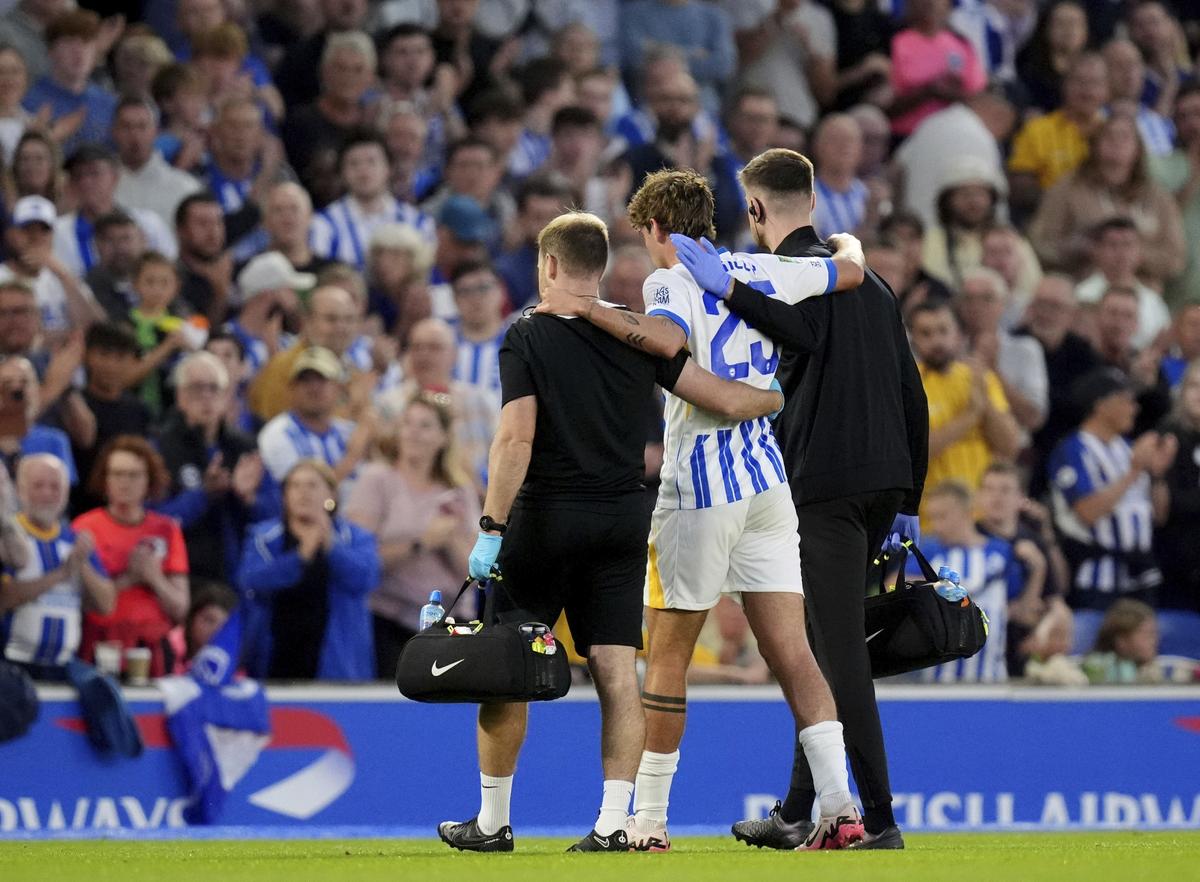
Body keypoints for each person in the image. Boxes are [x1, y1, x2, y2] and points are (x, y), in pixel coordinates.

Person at [538, 168, 869, 851]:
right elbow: (851, 273)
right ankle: (840, 808)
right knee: (794, 654)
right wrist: (846, 238)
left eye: (646, 234)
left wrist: (591, 309)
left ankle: (648, 822)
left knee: (665, 657)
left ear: (657, 228)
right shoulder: (768, 267)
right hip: (767, 482)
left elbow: (662, 343)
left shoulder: (668, 281)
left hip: (700, 488)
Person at [437, 211, 785, 853]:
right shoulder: (637, 337)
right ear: (598, 268)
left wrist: (490, 527)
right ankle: (613, 823)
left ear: (547, 265)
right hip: (625, 519)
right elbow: (720, 397)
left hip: (545, 519)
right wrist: (773, 399)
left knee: (508, 667)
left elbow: (516, 436)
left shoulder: (526, 337)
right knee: (618, 672)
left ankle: (491, 823)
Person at [673, 148, 928, 850]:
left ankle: (877, 819)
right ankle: (795, 811)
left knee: (838, 655)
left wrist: (726, 288)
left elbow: (801, 330)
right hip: (878, 487)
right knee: (815, 650)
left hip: (823, 489)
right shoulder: (869, 281)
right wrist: (911, 493)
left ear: (755, 210)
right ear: (813, 202)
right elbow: (913, 391)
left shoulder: (796, 282)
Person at [345, 391, 479, 678]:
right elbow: (357, 561)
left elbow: (476, 574)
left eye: (425, 425)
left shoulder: (459, 490)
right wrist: (421, 542)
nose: (413, 433)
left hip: (451, 621)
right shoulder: (377, 479)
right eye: (408, 423)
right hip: (389, 618)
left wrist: (451, 539)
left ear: (444, 437)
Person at [235, 459, 378, 681]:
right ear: (285, 496)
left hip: (336, 664)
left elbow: (365, 579)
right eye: (295, 485)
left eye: (312, 485)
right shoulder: (263, 537)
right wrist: (300, 557)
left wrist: (331, 548)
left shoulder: (355, 538)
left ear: (332, 495)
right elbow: (250, 580)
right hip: (274, 659)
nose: (303, 493)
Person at [1047, 367, 1176, 611]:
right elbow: (1087, 512)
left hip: (1139, 577)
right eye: (1126, 401)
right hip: (1097, 579)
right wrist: (1134, 472)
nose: (1134, 409)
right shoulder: (1073, 450)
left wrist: (1157, 476)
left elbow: (1159, 516)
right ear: (1101, 405)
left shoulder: (1127, 448)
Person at [74, 435, 190, 678]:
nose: (124, 483)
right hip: (101, 641)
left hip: (153, 644)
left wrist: (154, 578)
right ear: (104, 480)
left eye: (134, 475)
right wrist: (130, 578)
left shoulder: (166, 530)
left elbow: (180, 607)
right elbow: (82, 602)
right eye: (117, 474)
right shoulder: (85, 528)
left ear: (149, 481)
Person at [157, 352, 268, 584]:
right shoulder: (160, 446)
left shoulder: (246, 447)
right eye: (196, 388)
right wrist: (203, 495)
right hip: (180, 575)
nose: (206, 396)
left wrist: (247, 498)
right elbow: (154, 521)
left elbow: (272, 516)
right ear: (180, 396)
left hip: (235, 574)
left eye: (214, 388)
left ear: (227, 396)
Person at [0, 454, 112, 679]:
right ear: (19, 490)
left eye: (55, 487)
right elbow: (5, 597)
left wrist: (81, 565)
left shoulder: (76, 539)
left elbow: (106, 604)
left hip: (64, 666)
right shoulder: (10, 537)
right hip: (13, 663)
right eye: (38, 486)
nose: (47, 494)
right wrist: (60, 574)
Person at [909, 299, 1020, 519]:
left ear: (958, 335)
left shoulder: (980, 378)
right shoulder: (908, 384)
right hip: (932, 520)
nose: (937, 341)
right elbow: (915, 453)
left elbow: (1009, 447)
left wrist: (985, 404)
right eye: (926, 333)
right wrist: (970, 416)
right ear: (913, 340)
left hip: (983, 518)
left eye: (943, 331)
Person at [912, 479, 1026, 683]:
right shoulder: (929, 552)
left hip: (992, 677)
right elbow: (897, 584)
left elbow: (1017, 604)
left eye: (942, 517)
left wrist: (1039, 570)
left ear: (966, 512)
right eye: (932, 518)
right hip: (937, 679)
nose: (936, 526)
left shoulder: (1000, 552)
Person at [256, 346, 371, 499]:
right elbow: (302, 499)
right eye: (305, 380)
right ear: (292, 389)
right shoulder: (278, 435)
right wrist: (352, 457)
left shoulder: (348, 432)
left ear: (338, 388)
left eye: (322, 379)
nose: (314, 387)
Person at [311, 130, 434, 272]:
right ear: (342, 173)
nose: (363, 171)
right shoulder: (324, 224)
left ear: (389, 169)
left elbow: (427, 274)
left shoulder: (419, 222)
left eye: (372, 162)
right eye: (354, 164)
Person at [53, 143, 177, 278]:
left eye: (94, 173)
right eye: (78, 176)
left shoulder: (148, 223)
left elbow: (170, 270)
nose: (85, 182)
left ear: (115, 177)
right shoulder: (57, 231)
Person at [247, 284, 365, 423]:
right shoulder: (284, 368)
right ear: (307, 321)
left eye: (349, 319)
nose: (341, 327)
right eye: (331, 319)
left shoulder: (353, 371)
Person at [1007, 52, 1108, 211]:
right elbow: (1020, 184)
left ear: (1107, 89)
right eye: (1079, 82)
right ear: (1065, 85)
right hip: (1050, 215)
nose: (1087, 91)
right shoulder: (1037, 129)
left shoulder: (1115, 132)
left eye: (1095, 83)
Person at [956, 267, 1048, 435]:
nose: (976, 306)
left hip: (1010, 451)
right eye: (968, 298)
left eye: (987, 298)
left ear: (1003, 304)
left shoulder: (1025, 350)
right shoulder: (945, 349)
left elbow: (1033, 418)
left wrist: (993, 370)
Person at [0, 195, 103, 335]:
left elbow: (97, 329)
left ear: (53, 235)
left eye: (44, 230)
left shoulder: (65, 275)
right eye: (27, 230)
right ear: (12, 235)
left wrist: (63, 276)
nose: (35, 237)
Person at [20, 9, 116, 155]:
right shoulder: (26, 99)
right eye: (70, 42)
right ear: (51, 51)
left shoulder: (110, 103)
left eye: (86, 42)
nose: (79, 51)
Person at [888, 0, 987, 139]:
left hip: (953, 134)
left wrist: (951, 94)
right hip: (905, 135)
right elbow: (885, 104)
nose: (931, 3)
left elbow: (977, 96)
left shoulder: (961, 43)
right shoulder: (893, 40)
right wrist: (928, 91)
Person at [1074, 217, 1172, 352]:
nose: (1121, 253)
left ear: (1139, 252)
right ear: (1097, 250)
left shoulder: (1153, 302)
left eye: (1128, 245)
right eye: (1113, 245)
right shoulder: (1081, 294)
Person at [112, 96, 202, 229]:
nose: (134, 135)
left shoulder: (185, 188)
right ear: (114, 131)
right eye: (126, 127)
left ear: (156, 131)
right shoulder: (100, 187)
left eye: (142, 127)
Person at [1156, 360, 1200, 612]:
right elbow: (1164, 509)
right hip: (1175, 564)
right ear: (1181, 392)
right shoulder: (1168, 434)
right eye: (1193, 386)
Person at [226, 252, 311, 378]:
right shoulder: (225, 340)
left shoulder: (290, 344)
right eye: (289, 290)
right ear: (267, 294)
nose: (295, 299)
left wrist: (274, 351)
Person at [449, 261, 509, 408]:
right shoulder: (439, 342)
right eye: (465, 291)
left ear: (501, 292)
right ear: (454, 299)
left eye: (483, 288)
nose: (475, 298)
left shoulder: (522, 345)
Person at [1081, 598, 1163, 684]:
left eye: (1155, 633)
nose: (1155, 640)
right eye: (1147, 634)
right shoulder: (1097, 666)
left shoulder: (1151, 668)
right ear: (1121, 640)